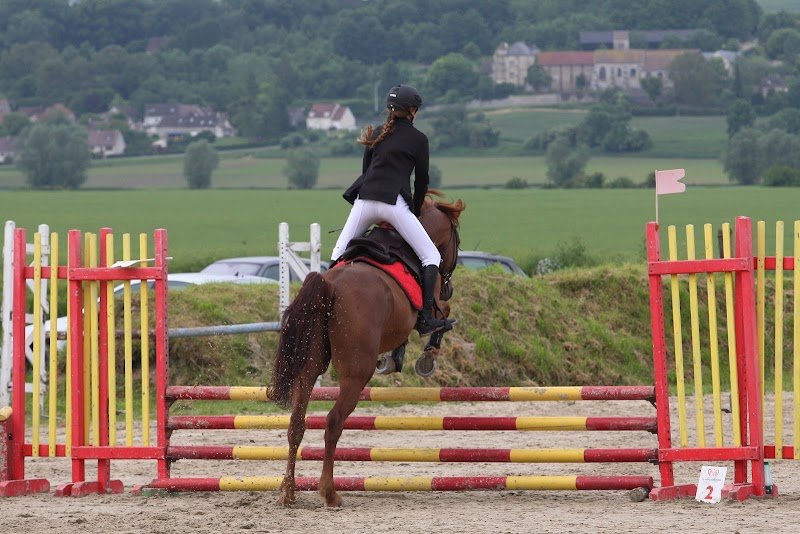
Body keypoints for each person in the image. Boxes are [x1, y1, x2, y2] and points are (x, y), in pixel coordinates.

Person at [331, 84, 452, 335]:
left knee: (339, 251)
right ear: (413, 111)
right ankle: (426, 319)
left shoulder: (377, 132)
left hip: (364, 201)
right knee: (431, 256)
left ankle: (323, 303)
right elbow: (421, 182)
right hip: (392, 204)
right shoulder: (419, 139)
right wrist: (416, 210)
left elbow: (366, 173)